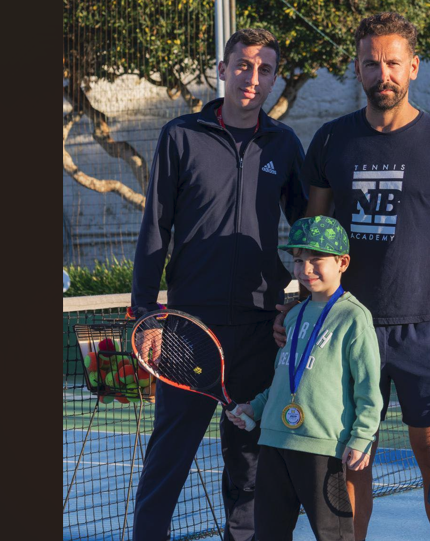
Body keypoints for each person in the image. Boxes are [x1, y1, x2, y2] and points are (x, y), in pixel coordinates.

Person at [272, 12, 430, 541]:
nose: (383, 74)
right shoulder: (331, 141)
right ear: (357, 68)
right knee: (352, 453)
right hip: (347, 326)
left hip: (427, 328)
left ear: (414, 67)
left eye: (393, 63)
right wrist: (299, 304)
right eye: (371, 63)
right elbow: (313, 236)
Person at [129, 28, 308, 541]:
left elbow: (307, 236)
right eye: (244, 65)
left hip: (258, 331)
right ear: (224, 69)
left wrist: (298, 307)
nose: (253, 77)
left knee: (250, 468)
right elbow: (155, 229)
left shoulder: (284, 145)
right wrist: (146, 314)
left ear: (274, 79)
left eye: (265, 69)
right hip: (188, 329)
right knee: (166, 463)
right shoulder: (180, 136)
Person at [226, 215, 382, 541]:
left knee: (333, 535)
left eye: (316, 260)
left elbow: (369, 388)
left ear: (342, 263)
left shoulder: (354, 317)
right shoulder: (293, 314)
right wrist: (255, 408)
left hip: (321, 447)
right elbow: (282, 378)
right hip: (274, 442)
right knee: (269, 533)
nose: (305, 269)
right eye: (298, 260)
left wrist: (362, 436)